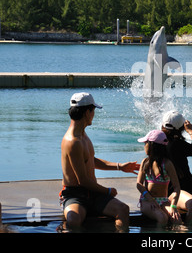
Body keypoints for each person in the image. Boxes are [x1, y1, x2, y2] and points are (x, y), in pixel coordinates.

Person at [60, 92, 140, 231]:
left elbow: (91, 160)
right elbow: (82, 181)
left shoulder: (83, 135)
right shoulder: (72, 141)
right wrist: (108, 191)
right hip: (75, 195)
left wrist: (120, 167)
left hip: (92, 194)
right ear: (87, 112)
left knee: (123, 209)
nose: (94, 114)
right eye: (93, 110)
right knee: (74, 220)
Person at [136, 130, 181, 226]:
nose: (144, 146)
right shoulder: (145, 162)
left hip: (163, 201)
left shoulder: (167, 164)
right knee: (162, 217)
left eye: (145, 143)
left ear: (152, 146)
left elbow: (177, 187)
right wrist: (150, 199)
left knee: (177, 219)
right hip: (147, 201)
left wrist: (173, 205)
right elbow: (139, 184)